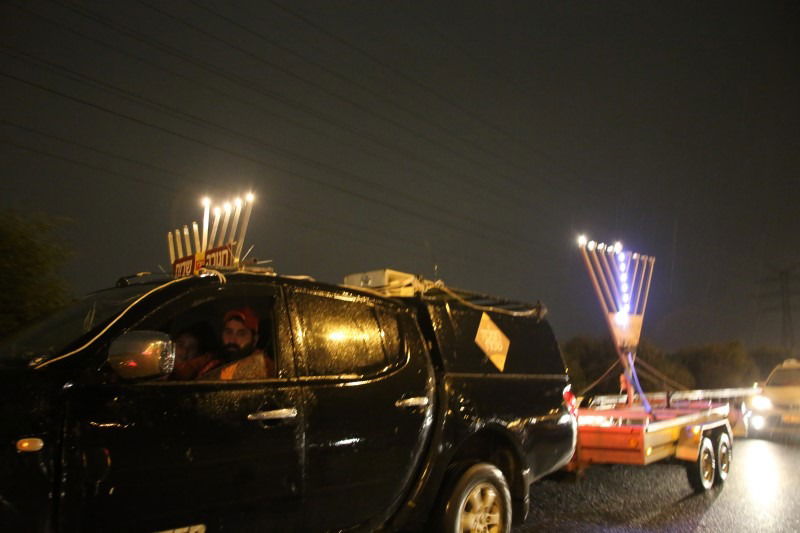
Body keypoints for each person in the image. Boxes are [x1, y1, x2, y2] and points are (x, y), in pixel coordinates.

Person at [201, 306, 274, 380]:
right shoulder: (212, 363)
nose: (232, 340)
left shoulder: (263, 367)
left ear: (255, 340)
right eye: (228, 332)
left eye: (241, 334)